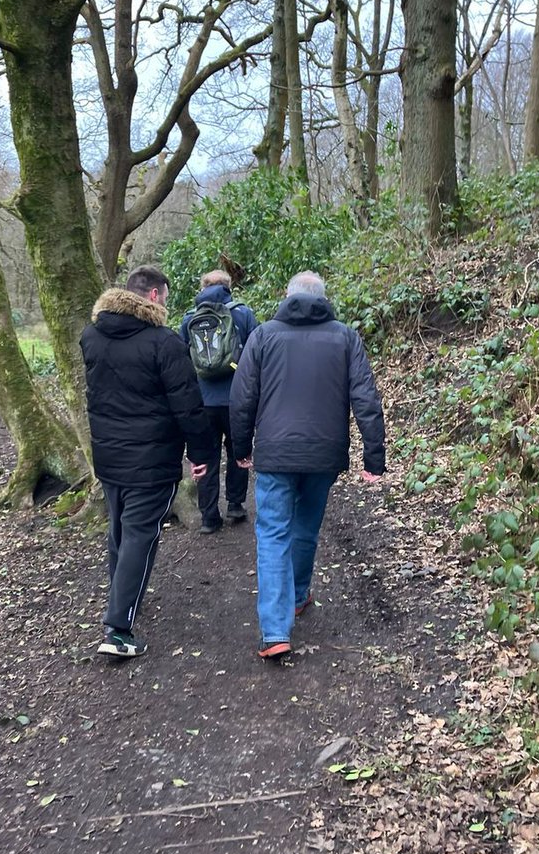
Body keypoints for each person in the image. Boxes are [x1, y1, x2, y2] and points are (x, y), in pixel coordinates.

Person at [229, 271, 385, 659]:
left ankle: (275, 630)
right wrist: (374, 456)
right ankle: (297, 596)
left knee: (272, 534)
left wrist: (240, 445)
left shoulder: (263, 335)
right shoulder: (345, 337)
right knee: (306, 528)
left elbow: (242, 396)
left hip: (276, 453)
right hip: (324, 454)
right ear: (323, 297)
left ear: (287, 297)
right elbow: (365, 397)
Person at [81, 265, 213, 658]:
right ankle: (118, 629)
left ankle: (124, 601)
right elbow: (188, 406)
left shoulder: (92, 336)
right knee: (140, 534)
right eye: (166, 297)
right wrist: (203, 454)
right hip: (151, 459)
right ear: (153, 296)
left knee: (121, 531)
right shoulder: (164, 343)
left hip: (108, 456)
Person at [179, 270, 259, 534]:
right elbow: (256, 353)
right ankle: (235, 504)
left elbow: (182, 360)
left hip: (203, 400)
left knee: (207, 455)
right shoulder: (243, 314)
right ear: (228, 287)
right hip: (237, 397)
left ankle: (209, 516)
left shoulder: (189, 319)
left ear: (202, 288)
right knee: (238, 449)